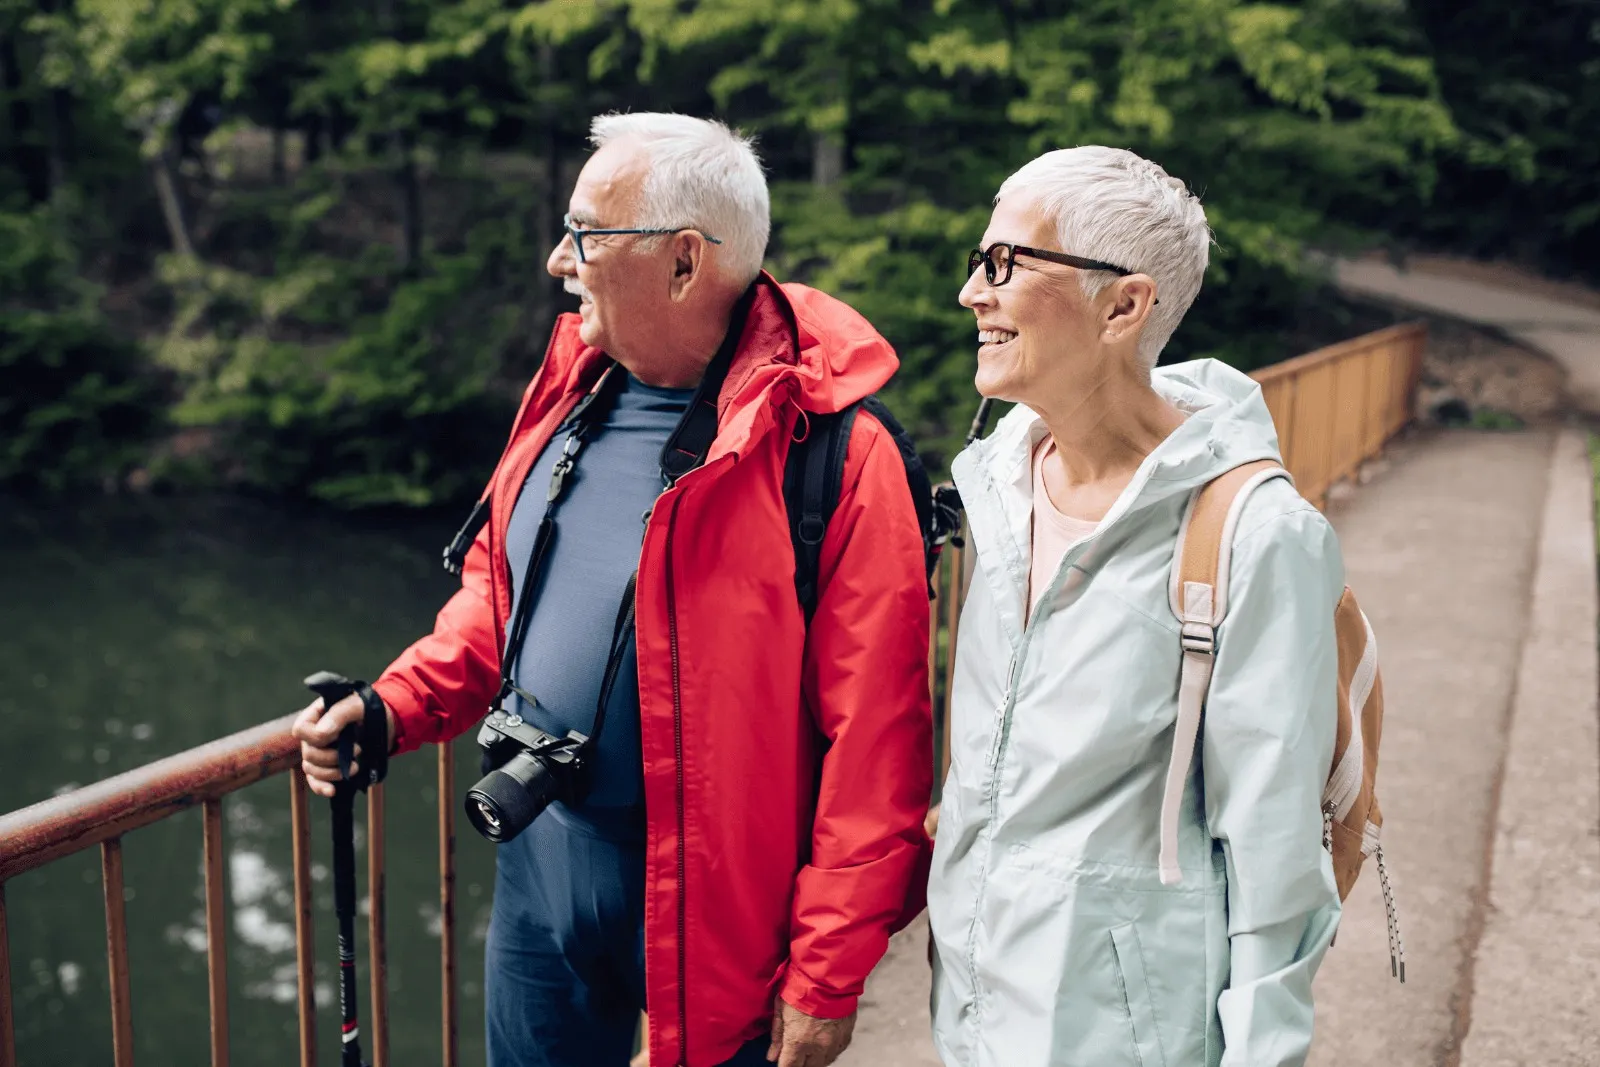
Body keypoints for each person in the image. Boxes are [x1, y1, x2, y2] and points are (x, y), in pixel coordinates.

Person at [291, 112, 933, 1067]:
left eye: (586, 233)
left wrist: (828, 970)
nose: (559, 259)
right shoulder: (573, 390)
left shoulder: (835, 452)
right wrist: (395, 705)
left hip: (724, 914)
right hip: (540, 874)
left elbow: (876, 740)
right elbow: (502, 597)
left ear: (683, 263)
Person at [927, 146, 1344, 1066]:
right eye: (978, 262)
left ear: (1124, 305)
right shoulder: (997, 486)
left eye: (1006, 265)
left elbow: (1276, 858)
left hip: (1128, 1032)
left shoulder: (1256, 533)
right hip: (970, 1005)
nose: (973, 295)